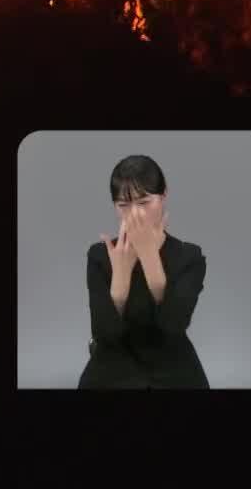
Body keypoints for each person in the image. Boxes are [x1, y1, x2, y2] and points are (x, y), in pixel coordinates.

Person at [77, 155, 210, 388]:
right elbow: (104, 336)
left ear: (164, 195)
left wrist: (149, 258)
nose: (135, 214)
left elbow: (173, 326)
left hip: (173, 363)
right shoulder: (99, 256)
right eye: (123, 205)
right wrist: (120, 275)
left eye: (144, 202)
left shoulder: (189, 256)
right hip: (113, 362)